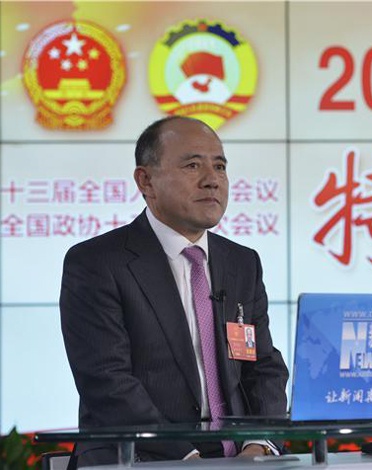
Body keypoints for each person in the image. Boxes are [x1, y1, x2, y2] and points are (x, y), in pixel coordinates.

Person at [60, 116, 289, 466]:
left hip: (238, 459)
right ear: (146, 181)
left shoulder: (242, 263)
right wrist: (185, 459)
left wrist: (259, 444)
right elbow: (106, 381)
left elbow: (264, 366)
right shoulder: (97, 263)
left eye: (220, 166)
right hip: (140, 459)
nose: (212, 180)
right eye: (193, 165)